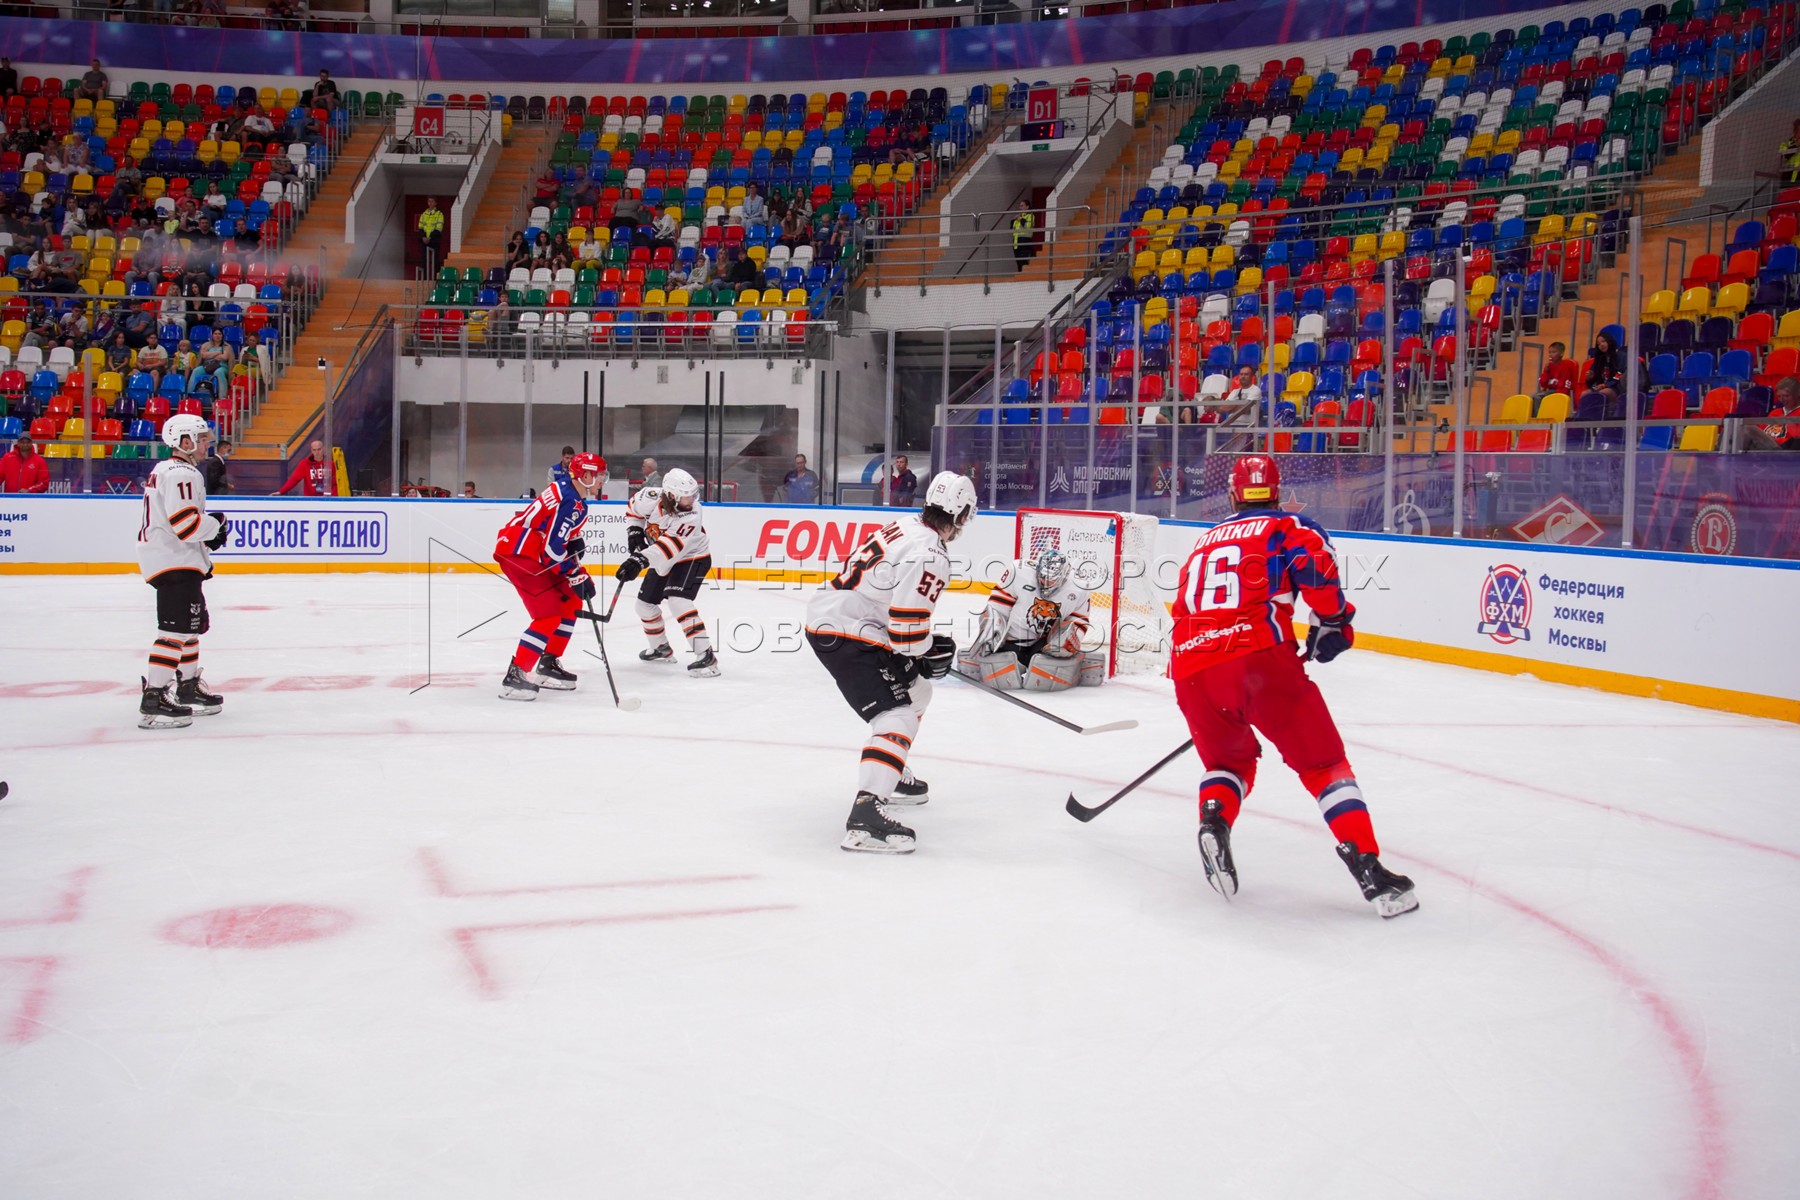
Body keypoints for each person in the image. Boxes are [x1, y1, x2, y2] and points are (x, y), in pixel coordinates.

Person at [1168, 454, 1417, 917]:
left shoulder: (1204, 540)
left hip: (1190, 664)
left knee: (1229, 762)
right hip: (1258, 659)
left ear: (1233, 494)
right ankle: (1369, 868)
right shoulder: (1290, 527)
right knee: (1324, 764)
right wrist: (1335, 623)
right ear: (1277, 491)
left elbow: (1183, 607)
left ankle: (1215, 820)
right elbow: (1318, 574)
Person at [803, 471, 973, 853]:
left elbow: (900, 620)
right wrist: (926, 649)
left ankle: (890, 772)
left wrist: (924, 649)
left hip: (847, 622)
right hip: (848, 635)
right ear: (961, 516)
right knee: (897, 716)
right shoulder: (931, 553)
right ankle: (866, 815)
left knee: (918, 692)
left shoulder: (906, 525)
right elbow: (908, 635)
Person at [135, 414, 230, 730]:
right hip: (174, 560)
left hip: (177, 560)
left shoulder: (167, 471)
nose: (206, 444)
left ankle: (188, 686)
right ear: (184, 442)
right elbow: (186, 524)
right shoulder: (181, 473)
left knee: (190, 627)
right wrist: (215, 526)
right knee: (175, 631)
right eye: (201, 439)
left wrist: (208, 531)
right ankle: (155, 696)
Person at [492, 453, 606, 700]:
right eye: (599, 476)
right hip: (522, 554)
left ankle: (548, 664)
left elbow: (549, 526)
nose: (602, 481)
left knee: (571, 602)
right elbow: (553, 551)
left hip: (529, 551)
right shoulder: (572, 502)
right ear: (585, 475)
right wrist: (576, 574)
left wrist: (573, 539)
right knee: (549, 614)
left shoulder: (565, 487)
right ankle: (517, 673)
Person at [615, 467, 719, 676]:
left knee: (678, 601)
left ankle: (706, 655)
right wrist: (634, 531)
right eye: (686, 497)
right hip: (663, 560)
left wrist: (639, 560)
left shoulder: (693, 513)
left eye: (693, 495)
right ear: (670, 495)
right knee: (644, 606)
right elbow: (633, 510)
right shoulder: (649, 497)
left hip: (692, 557)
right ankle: (661, 648)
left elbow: (669, 546)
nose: (691, 501)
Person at [959, 549, 1104, 690]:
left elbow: (1079, 620)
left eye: (1051, 580)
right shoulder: (1018, 571)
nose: (1045, 583)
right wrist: (991, 629)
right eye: (1042, 577)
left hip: (1046, 646)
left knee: (1048, 661)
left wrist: (1070, 640)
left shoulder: (1079, 587)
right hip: (1014, 639)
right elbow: (998, 604)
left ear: (1064, 576)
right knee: (1002, 659)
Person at [1585, 331, 1625, 396]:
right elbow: (1592, 381)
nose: (1601, 345)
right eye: (1598, 344)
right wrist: (1589, 378)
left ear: (1610, 341)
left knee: (1602, 394)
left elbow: (1620, 374)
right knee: (1585, 394)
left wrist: (1605, 385)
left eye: (1603, 341)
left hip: (1616, 387)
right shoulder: (1599, 358)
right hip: (1601, 386)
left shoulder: (1621, 356)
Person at [417, 197, 445, 278]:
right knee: (424, 261)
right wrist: (423, 237)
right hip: (424, 240)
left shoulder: (439, 214)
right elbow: (420, 227)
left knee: (435, 261)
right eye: (429, 201)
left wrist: (430, 237)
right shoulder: (424, 214)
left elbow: (439, 228)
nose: (430, 203)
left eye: (432, 201)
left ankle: (435, 279)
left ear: (436, 203)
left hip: (434, 240)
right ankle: (425, 279)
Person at [1010, 200, 1035, 273]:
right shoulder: (1018, 217)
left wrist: (1020, 219)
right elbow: (1012, 228)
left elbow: (1028, 226)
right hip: (1016, 242)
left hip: (1025, 241)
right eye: (1020, 206)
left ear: (1027, 207)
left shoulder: (1030, 216)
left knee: (1023, 260)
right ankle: (1020, 275)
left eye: (1022, 206)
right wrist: (1013, 220)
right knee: (1018, 262)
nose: (1020, 207)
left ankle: (1026, 274)